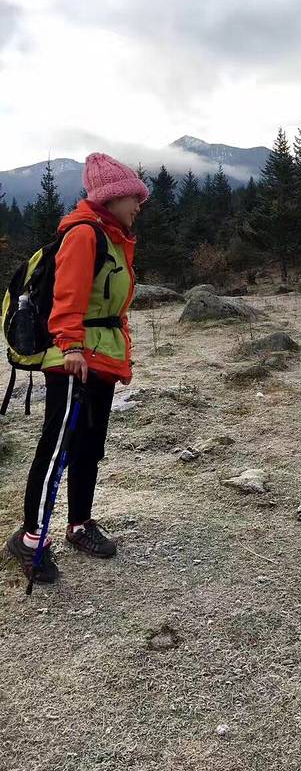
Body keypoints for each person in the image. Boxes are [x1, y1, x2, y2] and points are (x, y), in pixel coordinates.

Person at [5, 153, 149, 584]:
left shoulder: (113, 239)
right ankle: (29, 538)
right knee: (57, 449)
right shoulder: (85, 234)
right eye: (134, 197)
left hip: (100, 358)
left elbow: (111, 307)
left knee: (88, 446)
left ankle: (80, 524)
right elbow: (68, 296)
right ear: (112, 197)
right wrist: (70, 347)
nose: (138, 205)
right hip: (75, 359)